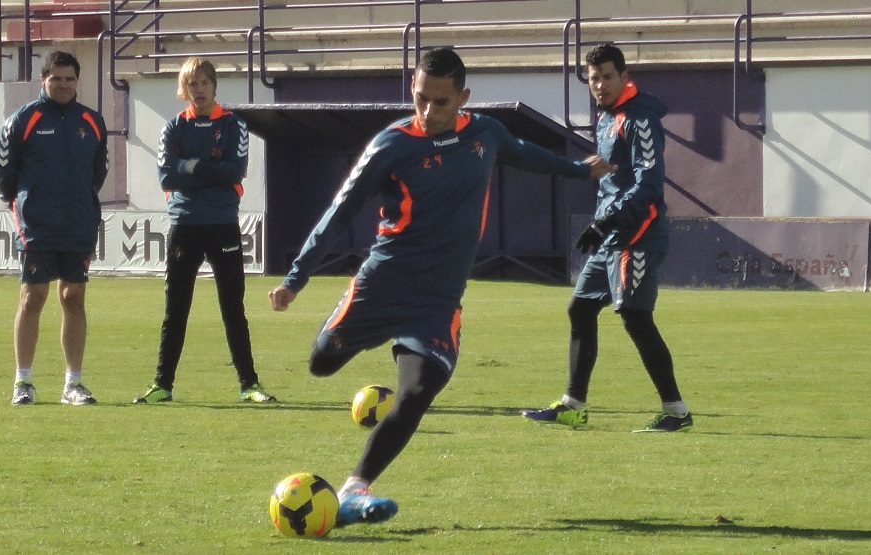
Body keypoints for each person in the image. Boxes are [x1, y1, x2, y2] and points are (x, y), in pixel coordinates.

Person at [268, 47, 611, 525]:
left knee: (419, 390)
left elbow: (527, 155)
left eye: (440, 102)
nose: (427, 112)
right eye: (420, 98)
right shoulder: (392, 144)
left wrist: (581, 169)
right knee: (321, 363)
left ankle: (354, 488)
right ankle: (368, 337)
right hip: (383, 284)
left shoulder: (485, 134)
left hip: (437, 299)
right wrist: (296, 278)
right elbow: (339, 212)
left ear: (463, 97)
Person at [521, 43, 692, 433]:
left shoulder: (640, 119)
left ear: (624, 77)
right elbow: (617, 179)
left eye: (607, 76)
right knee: (580, 309)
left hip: (638, 234)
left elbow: (649, 184)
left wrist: (607, 219)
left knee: (635, 315)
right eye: (593, 78)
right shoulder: (607, 117)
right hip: (612, 234)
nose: (599, 84)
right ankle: (573, 405)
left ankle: (677, 412)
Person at [132, 57, 276, 404]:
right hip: (184, 224)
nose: (199, 90)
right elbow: (167, 177)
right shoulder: (173, 128)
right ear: (184, 89)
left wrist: (190, 167)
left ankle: (249, 385)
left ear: (214, 86)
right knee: (175, 309)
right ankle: (162, 384)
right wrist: (207, 170)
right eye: (192, 84)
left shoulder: (233, 125)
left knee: (232, 308)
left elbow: (234, 171)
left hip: (222, 224)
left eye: (204, 83)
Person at [0, 51, 109, 406]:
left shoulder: (91, 121)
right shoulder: (23, 119)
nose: (63, 85)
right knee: (33, 298)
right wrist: (26, 206)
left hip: (78, 224)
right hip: (38, 225)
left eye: (69, 79)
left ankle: (73, 384)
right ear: (43, 79)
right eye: (56, 78)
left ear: (77, 81)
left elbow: (98, 172)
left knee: (73, 298)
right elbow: (5, 175)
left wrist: (81, 205)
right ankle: (23, 382)